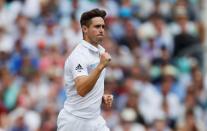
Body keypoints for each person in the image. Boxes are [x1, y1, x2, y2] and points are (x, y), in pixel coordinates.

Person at [57, 8, 113, 131]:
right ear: (84, 29)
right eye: (97, 26)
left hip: (95, 119)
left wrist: (100, 98)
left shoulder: (101, 51)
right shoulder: (78, 56)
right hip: (75, 121)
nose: (101, 30)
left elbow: (90, 85)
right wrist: (100, 66)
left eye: (103, 27)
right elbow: (82, 89)